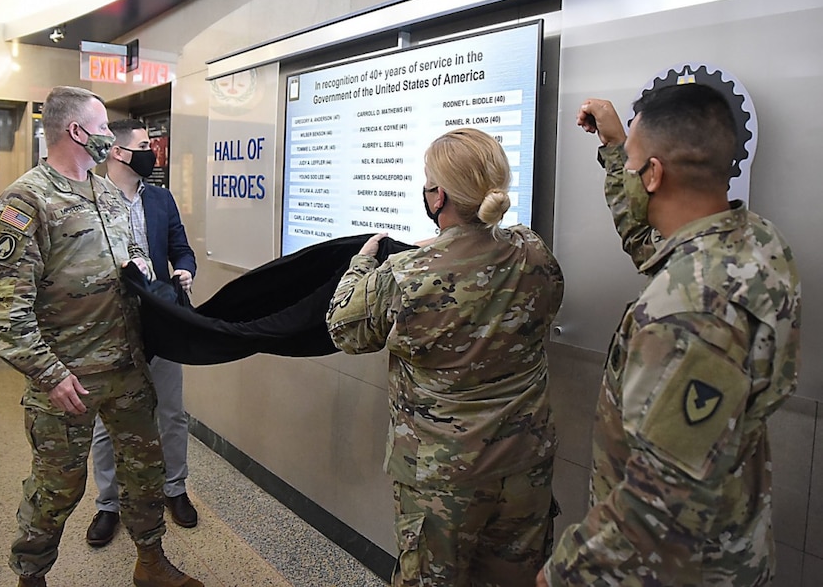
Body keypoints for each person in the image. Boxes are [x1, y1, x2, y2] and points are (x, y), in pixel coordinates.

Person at [536, 84, 802, 586]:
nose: (631, 172)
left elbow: (660, 498)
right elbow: (650, 242)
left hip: (676, 569)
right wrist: (618, 150)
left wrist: (562, 576)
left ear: (655, 174)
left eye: (636, 165)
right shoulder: (757, 242)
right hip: (730, 539)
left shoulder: (692, 312)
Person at [326, 127, 565, 586]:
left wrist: (362, 262)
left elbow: (345, 329)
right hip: (524, 466)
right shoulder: (533, 251)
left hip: (443, 480)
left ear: (438, 196)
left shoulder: (405, 273)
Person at [0, 86, 203, 587]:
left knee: (145, 472)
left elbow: (134, 264)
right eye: (103, 127)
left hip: (126, 368)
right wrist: (50, 375)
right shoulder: (26, 200)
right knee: (56, 488)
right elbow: (5, 312)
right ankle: (31, 575)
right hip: (68, 377)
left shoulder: (107, 194)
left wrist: (158, 292)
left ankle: (150, 563)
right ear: (77, 131)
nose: (110, 137)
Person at [86, 119, 198, 547]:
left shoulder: (162, 199)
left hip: (160, 321)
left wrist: (184, 268)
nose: (153, 152)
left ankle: (175, 489)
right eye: (145, 145)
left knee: (171, 410)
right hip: (110, 326)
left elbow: (180, 248)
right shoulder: (88, 200)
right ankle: (108, 504)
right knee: (107, 419)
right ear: (118, 152)